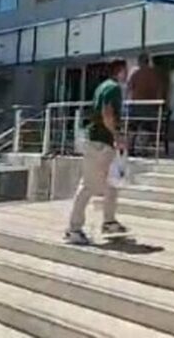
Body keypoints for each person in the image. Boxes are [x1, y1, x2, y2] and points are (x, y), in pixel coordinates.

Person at [66, 59, 128, 245]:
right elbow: (107, 113)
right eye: (125, 71)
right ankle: (74, 229)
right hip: (100, 143)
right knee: (89, 185)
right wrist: (117, 135)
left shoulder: (103, 86)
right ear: (120, 71)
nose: (127, 75)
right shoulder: (113, 88)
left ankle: (109, 221)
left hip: (101, 142)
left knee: (111, 183)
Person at [126, 53, 165, 154]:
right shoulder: (154, 74)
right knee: (146, 127)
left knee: (133, 127)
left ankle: (130, 148)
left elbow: (129, 88)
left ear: (139, 62)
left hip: (136, 105)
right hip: (150, 105)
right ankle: (140, 149)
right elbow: (159, 90)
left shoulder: (135, 74)